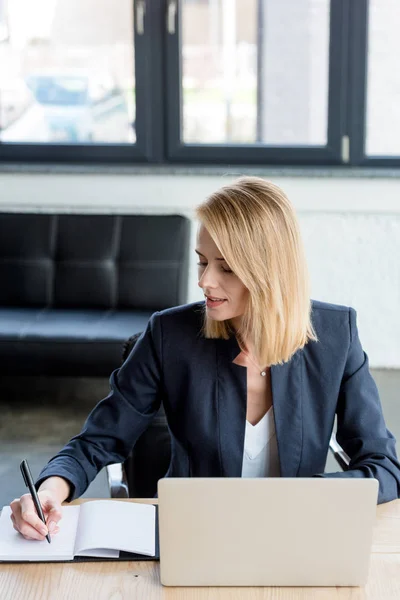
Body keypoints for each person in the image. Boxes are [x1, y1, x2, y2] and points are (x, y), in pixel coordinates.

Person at [10, 176, 400, 542]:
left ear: (270, 273)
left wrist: (306, 497)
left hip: (295, 537)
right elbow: (97, 441)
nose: (204, 281)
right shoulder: (169, 335)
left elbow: (384, 467)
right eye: (202, 261)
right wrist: (49, 490)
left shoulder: (336, 335)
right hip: (195, 535)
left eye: (226, 268)